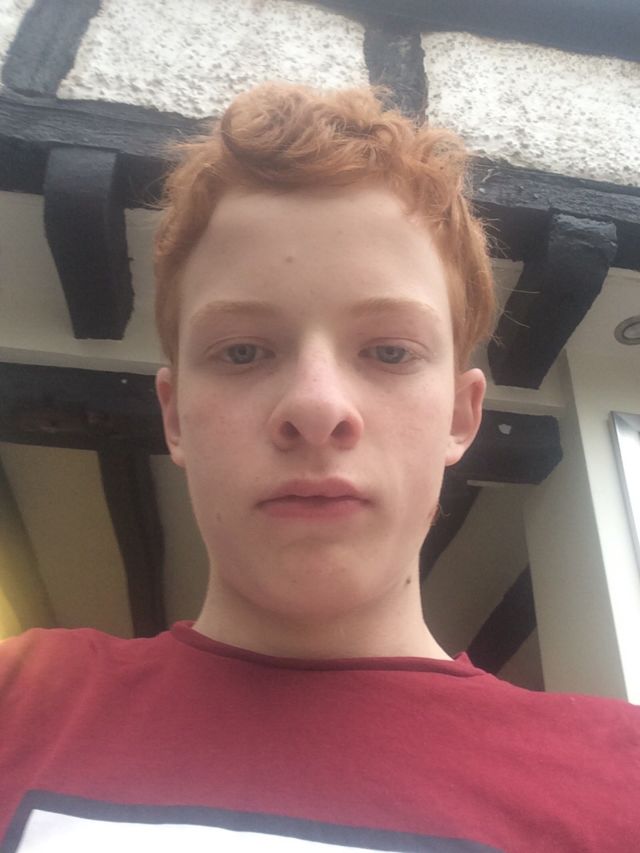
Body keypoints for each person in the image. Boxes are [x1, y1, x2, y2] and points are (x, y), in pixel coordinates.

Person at [0, 83, 638, 852]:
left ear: (460, 416)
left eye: (389, 351)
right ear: (175, 416)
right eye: (242, 350)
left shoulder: (625, 782)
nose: (316, 405)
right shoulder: (18, 704)